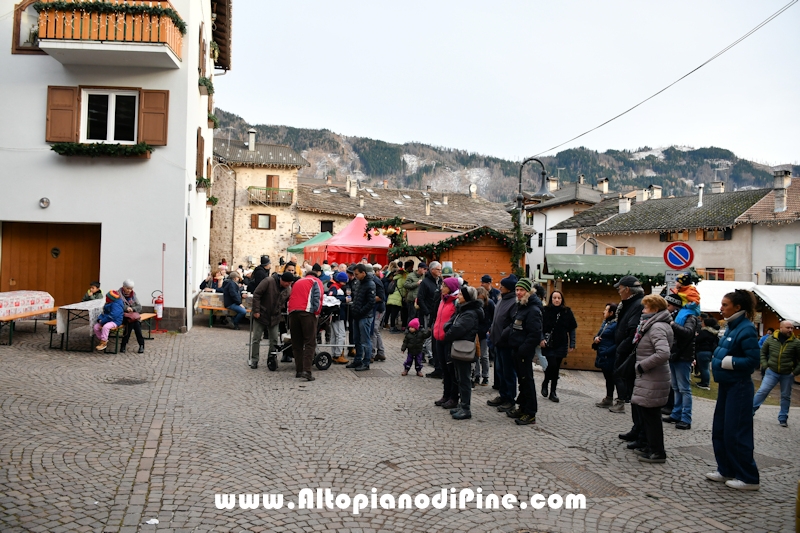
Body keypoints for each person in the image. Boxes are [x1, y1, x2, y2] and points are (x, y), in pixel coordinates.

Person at [706, 289, 761, 490]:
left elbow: (753, 361)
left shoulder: (746, 328)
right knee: (720, 429)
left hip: (739, 387)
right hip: (727, 386)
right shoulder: (731, 326)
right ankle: (726, 469)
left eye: (725, 304)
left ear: (738, 307)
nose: (721, 308)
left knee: (735, 432)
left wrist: (729, 362)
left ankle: (748, 477)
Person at [629, 294, 674, 464]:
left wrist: (642, 366)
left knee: (651, 416)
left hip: (653, 377)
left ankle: (657, 451)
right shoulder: (655, 325)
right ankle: (650, 446)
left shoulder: (656, 327)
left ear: (655, 309)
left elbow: (663, 353)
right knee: (647, 414)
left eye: (646, 307)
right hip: (650, 377)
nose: (643, 310)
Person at [501, 278, 543, 426]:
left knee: (527, 382)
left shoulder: (533, 310)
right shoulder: (522, 306)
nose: (518, 293)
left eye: (521, 290)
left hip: (523, 353)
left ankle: (530, 413)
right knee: (522, 382)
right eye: (517, 290)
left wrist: (522, 351)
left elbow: (534, 334)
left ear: (528, 292)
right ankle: (523, 407)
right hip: (517, 350)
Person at [444, 285, 484, 420]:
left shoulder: (469, 313)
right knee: (460, 378)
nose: (458, 296)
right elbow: (450, 325)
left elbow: (456, 329)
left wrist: (449, 331)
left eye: (461, 294)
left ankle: (466, 408)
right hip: (458, 346)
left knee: (464, 379)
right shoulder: (463, 311)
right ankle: (462, 405)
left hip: (463, 347)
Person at [753, 320, 800, 427]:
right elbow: (763, 352)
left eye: (792, 328)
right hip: (772, 371)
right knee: (763, 391)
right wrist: (765, 365)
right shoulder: (770, 339)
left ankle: (783, 418)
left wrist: (795, 372)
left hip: (787, 373)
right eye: (788, 327)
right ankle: (750, 411)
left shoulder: (796, 342)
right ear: (781, 328)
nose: (790, 330)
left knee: (785, 396)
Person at [664, 293, 700, 430]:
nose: (667, 308)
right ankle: (676, 414)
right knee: (676, 387)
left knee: (684, 388)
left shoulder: (689, 316)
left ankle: (686, 418)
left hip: (683, 356)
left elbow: (687, 333)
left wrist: (672, 324)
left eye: (668, 305)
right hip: (675, 355)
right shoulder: (675, 316)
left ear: (675, 305)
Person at [612, 275, 645, 420]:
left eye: (620, 288)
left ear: (627, 290)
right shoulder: (629, 304)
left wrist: (621, 348)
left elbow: (633, 331)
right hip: (624, 349)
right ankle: (636, 427)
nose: (618, 291)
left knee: (631, 388)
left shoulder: (637, 305)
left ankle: (638, 427)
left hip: (628, 352)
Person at [486, 275, 519, 412]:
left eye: (502, 286)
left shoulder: (514, 302)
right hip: (497, 342)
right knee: (500, 371)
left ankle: (510, 399)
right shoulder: (502, 299)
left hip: (506, 343)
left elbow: (512, 324)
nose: (500, 287)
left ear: (509, 288)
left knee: (508, 372)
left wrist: (503, 335)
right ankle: (503, 395)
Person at [249, 271, 294, 369]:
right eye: (287, 283)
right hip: (261, 314)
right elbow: (257, 294)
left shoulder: (288, 289)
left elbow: (287, 301)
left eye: (290, 283)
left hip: (275, 316)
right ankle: (254, 360)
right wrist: (256, 311)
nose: (289, 285)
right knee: (256, 338)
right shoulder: (268, 281)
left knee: (274, 339)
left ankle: (271, 359)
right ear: (282, 280)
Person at [540, 290, 577, 403]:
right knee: (552, 364)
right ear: (551, 299)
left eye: (559, 298)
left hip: (561, 343)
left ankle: (553, 391)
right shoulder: (545, 311)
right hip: (549, 343)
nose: (556, 300)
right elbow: (540, 326)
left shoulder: (567, 312)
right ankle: (546, 382)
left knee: (556, 368)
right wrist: (541, 339)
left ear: (562, 300)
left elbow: (572, 329)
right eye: (554, 298)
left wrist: (572, 344)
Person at [287, 270, 325, 381]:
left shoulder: (297, 282)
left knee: (297, 342)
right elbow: (318, 297)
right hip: (307, 312)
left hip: (293, 312)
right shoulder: (315, 281)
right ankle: (307, 370)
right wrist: (317, 313)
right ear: (316, 275)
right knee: (310, 342)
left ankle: (299, 370)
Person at [433, 277, 461, 410]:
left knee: (451, 370)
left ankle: (454, 397)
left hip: (449, 340)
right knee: (444, 369)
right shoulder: (442, 300)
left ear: (451, 288)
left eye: (444, 286)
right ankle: (446, 395)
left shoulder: (455, 302)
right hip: (439, 339)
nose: (441, 288)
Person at [346, 264, 376, 371]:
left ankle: (366, 361)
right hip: (358, 315)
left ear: (363, 273)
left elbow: (371, 302)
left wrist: (360, 312)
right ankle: (358, 359)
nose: (355, 276)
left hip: (365, 316)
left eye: (357, 274)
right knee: (356, 339)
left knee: (365, 340)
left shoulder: (370, 284)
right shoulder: (359, 282)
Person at [417, 261, 442, 376]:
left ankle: (430, 354)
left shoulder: (440, 282)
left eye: (440, 269)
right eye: (438, 269)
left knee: (434, 334)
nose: (440, 271)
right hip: (428, 313)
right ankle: (431, 355)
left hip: (437, 312)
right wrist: (426, 311)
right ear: (432, 270)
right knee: (428, 334)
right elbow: (420, 298)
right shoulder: (425, 282)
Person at [593, 303, 618, 408]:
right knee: (608, 377)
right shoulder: (606, 323)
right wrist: (596, 338)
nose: (604, 312)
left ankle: (611, 398)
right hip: (603, 353)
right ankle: (608, 398)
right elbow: (600, 334)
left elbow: (617, 342)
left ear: (611, 313)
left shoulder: (616, 325)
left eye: (606, 310)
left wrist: (606, 352)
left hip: (609, 355)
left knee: (611, 378)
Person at [473, 287, 495, 386]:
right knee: (476, 355)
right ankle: (477, 375)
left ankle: (485, 376)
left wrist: (489, 329)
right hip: (476, 332)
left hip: (485, 333)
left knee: (484, 355)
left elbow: (493, 317)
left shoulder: (490, 304)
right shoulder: (474, 305)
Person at [328, 272, 350, 364]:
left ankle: (335, 353)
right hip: (338, 314)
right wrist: (344, 299)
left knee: (335, 334)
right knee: (341, 334)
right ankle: (338, 354)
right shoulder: (335, 287)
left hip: (336, 314)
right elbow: (331, 298)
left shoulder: (334, 287)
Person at [119, 279, 145, 354]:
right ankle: (141, 345)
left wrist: (132, 309)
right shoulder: (118, 295)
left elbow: (139, 307)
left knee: (134, 323)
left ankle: (124, 345)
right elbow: (118, 306)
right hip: (122, 316)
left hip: (132, 317)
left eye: (131, 289)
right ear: (123, 287)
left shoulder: (133, 295)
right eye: (128, 288)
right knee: (131, 322)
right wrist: (126, 308)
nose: (129, 290)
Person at [368, 264, 386, 362]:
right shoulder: (375, 280)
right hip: (378, 308)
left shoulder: (375, 281)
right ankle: (380, 352)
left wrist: (368, 299)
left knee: (374, 329)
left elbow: (381, 297)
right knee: (376, 330)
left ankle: (372, 353)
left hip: (379, 308)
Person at [695, 317, 719, 390]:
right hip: (709, 351)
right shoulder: (714, 333)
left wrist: (696, 336)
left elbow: (697, 340)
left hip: (703, 351)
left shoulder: (705, 332)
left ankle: (705, 383)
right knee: (705, 368)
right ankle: (704, 381)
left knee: (704, 368)